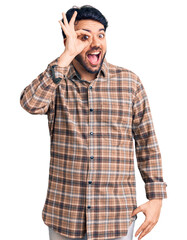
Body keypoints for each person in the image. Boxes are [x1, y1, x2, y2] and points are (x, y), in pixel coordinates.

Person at [19, 5, 167, 240]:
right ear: (69, 41)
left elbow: (147, 141)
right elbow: (30, 103)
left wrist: (156, 197)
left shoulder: (129, 83)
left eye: (100, 34)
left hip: (115, 218)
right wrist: (65, 57)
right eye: (83, 37)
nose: (95, 43)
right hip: (65, 217)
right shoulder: (57, 80)